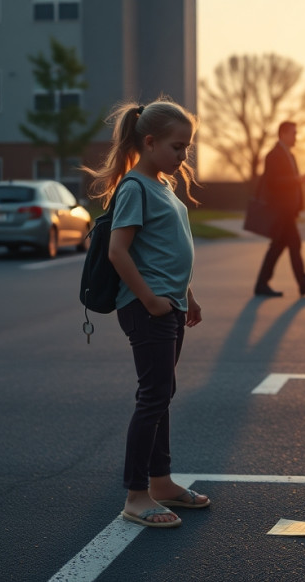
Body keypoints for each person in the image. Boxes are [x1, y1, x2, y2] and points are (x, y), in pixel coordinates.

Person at [82, 98, 210, 529]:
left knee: (163, 394)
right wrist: (152, 301)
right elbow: (119, 251)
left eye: (187, 148)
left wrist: (186, 295)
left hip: (168, 305)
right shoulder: (135, 187)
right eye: (177, 147)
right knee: (153, 396)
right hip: (146, 308)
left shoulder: (163, 187)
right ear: (149, 142)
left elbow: (164, 251)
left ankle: (162, 482)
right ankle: (137, 495)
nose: (183, 155)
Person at [254, 120, 305, 297]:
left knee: (279, 247)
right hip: (280, 211)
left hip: (288, 211)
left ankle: (263, 284)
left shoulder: (289, 155)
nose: (296, 137)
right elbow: (273, 182)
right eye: (294, 133)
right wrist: (296, 179)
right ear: (283, 134)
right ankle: (302, 283)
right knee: (292, 244)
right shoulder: (273, 155)